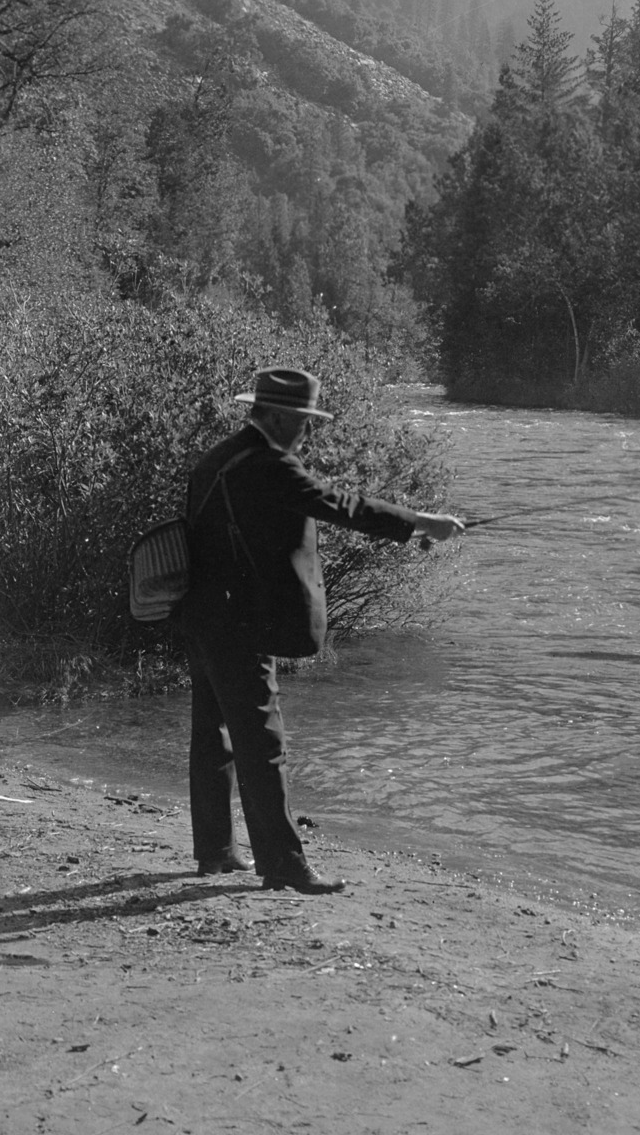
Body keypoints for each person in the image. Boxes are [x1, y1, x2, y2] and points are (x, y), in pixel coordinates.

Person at [179, 366, 463, 895]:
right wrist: (422, 521)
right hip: (238, 621)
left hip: (204, 613)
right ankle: (283, 865)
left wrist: (410, 530)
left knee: (213, 736)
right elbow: (340, 505)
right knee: (264, 744)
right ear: (281, 417)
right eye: (305, 421)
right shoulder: (268, 464)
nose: (309, 431)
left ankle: (215, 852)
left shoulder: (220, 457)